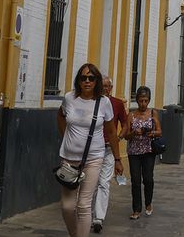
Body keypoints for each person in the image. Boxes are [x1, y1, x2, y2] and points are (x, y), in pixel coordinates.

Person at [56, 63, 121, 237]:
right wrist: (66, 136)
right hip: (69, 159)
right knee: (67, 206)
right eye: (83, 78)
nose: (87, 81)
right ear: (78, 80)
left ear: (96, 81)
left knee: (84, 205)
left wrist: (117, 159)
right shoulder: (69, 98)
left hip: (93, 158)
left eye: (91, 78)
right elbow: (61, 116)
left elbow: (111, 131)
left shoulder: (104, 102)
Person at [89, 74, 130, 233]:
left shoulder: (117, 103)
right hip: (93, 149)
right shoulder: (92, 102)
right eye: (102, 86)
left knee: (104, 182)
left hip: (109, 149)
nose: (104, 89)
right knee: (91, 182)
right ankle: (88, 214)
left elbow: (125, 124)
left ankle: (98, 218)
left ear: (111, 88)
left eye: (107, 86)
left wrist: (119, 138)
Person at [125, 86, 162, 220]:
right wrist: (133, 133)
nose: (143, 104)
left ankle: (148, 203)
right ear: (137, 100)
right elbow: (126, 135)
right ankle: (136, 209)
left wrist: (151, 133)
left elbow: (159, 131)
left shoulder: (153, 113)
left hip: (148, 151)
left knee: (148, 179)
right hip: (134, 152)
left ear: (149, 100)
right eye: (141, 101)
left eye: (146, 101)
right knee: (135, 181)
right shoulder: (131, 115)